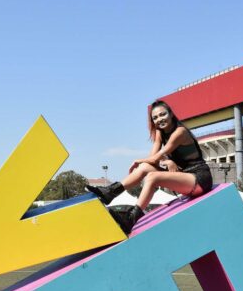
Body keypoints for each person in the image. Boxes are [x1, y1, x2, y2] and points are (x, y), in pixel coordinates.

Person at [87, 100, 213, 234]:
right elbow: (153, 160)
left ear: (171, 114)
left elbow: (158, 156)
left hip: (199, 179)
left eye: (163, 114)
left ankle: (131, 218)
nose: (160, 119)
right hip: (183, 176)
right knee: (145, 167)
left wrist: (139, 160)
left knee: (152, 176)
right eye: (155, 118)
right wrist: (159, 162)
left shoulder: (180, 132)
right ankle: (109, 192)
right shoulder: (160, 133)